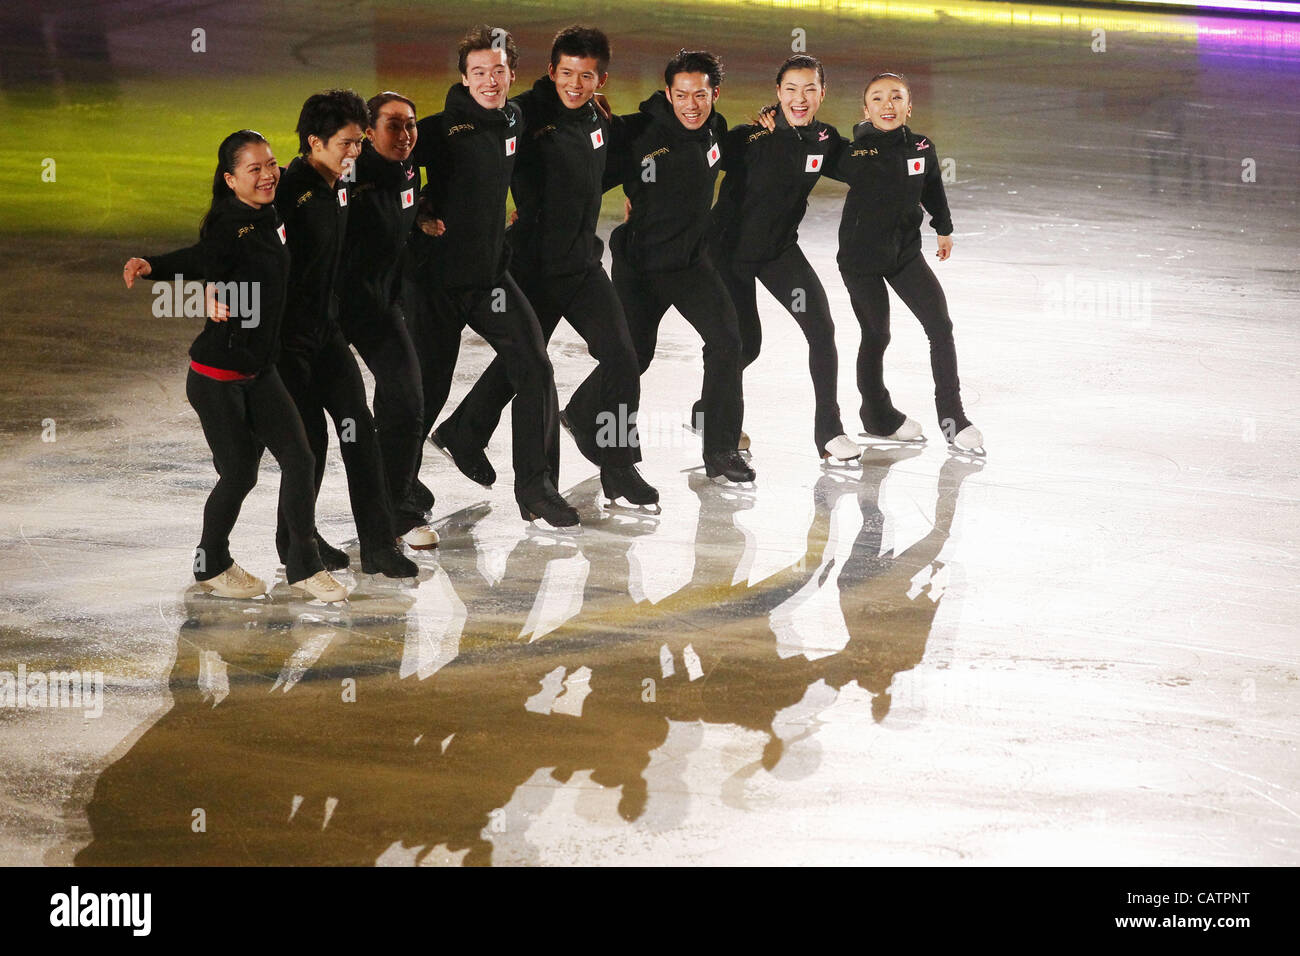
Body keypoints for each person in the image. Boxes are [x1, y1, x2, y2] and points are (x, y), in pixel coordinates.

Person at [432, 26, 658, 512]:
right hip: (530, 264)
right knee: (528, 368)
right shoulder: (525, 114)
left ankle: (616, 463)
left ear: (601, 78)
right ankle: (514, 469)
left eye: (587, 75)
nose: (575, 83)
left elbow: (617, 160)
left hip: (580, 264)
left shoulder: (598, 117)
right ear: (550, 70)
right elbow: (474, 149)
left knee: (623, 354)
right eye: (567, 73)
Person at [121, 130, 347, 602]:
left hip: (260, 371)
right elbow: (205, 257)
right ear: (230, 179)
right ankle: (211, 562)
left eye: (271, 165)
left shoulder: (272, 207)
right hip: (217, 379)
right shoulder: (231, 224)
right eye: (254, 169)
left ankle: (305, 567)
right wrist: (154, 268)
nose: (267, 175)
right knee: (241, 473)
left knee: (300, 459)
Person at [404, 24, 579, 531]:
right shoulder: (436, 129)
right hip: (437, 284)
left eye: (498, 71)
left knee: (535, 368)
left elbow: (556, 98)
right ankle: (397, 486)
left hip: (490, 280)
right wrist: (417, 212)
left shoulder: (514, 117)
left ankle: (537, 489)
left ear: (511, 74)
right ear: (463, 77)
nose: (489, 80)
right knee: (427, 392)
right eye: (478, 72)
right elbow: (393, 171)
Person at [274, 89, 420, 576]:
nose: (355, 152)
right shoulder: (288, 195)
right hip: (287, 343)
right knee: (309, 446)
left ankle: (379, 546)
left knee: (358, 430)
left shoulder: (339, 183)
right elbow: (242, 246)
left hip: (328, 334)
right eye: (346, 143)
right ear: (313, 141)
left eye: (359, 142)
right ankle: (296, 543)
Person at [608, 48, 753, 485]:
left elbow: (731, 151)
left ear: (715, 94)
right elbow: (583, 173)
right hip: (642, 263)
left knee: (729, 343)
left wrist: (770, 126)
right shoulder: (642, 133)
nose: (692, 104)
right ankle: (588, 420)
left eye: (701, 95)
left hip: (689, 262)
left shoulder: (714, 129)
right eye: (682, 94)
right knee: (632, 357)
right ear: (668, 93)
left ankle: (722, 449)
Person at [709, 54, 861, 465]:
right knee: (746, 345)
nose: (800, 98)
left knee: (821, 327)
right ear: (777, 93)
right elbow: (692, 162)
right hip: (729, 254)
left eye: (810, 89)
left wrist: (891, 142)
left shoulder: (823, 139)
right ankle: (711, 414)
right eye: (791, 89)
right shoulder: (751, 137)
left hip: (777, 253)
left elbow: (861, 167)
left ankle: (829, 432)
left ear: (823, 94)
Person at [830, 72, 984, 453]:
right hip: (860, 259)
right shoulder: (853, 153)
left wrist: (943, 228)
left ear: (908, 106)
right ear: (866, 110)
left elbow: (932, 186)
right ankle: (877, 416)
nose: (888, 105)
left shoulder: (921, 147)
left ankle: (953, 418)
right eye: (878, 99)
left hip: (904, 254)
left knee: (940, 325)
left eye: (896, 97)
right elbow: (804, 149)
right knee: (877, 334)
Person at [335, 91, 439, 550]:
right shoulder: (345, 177)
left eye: (410, 124)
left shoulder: (409, 169)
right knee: (316, 430)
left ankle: (398, 505)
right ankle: (299, 535)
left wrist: (423, 217)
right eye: (392, 125)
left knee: (407, 399)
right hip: (333, 312)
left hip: (382, 307)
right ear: (368, 132)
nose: (405, 134)